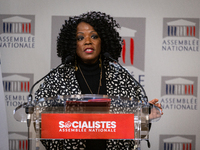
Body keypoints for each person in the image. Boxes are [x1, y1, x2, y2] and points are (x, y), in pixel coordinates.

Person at [35, 11, 162, 150]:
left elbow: (138, 130)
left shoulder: (122, 76)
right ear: (72, 43)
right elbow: (41, 122)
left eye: (94, 36)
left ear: (103, 41)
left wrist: (146, 116)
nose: (88, 41)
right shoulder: (57, 77)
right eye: (80, 38)